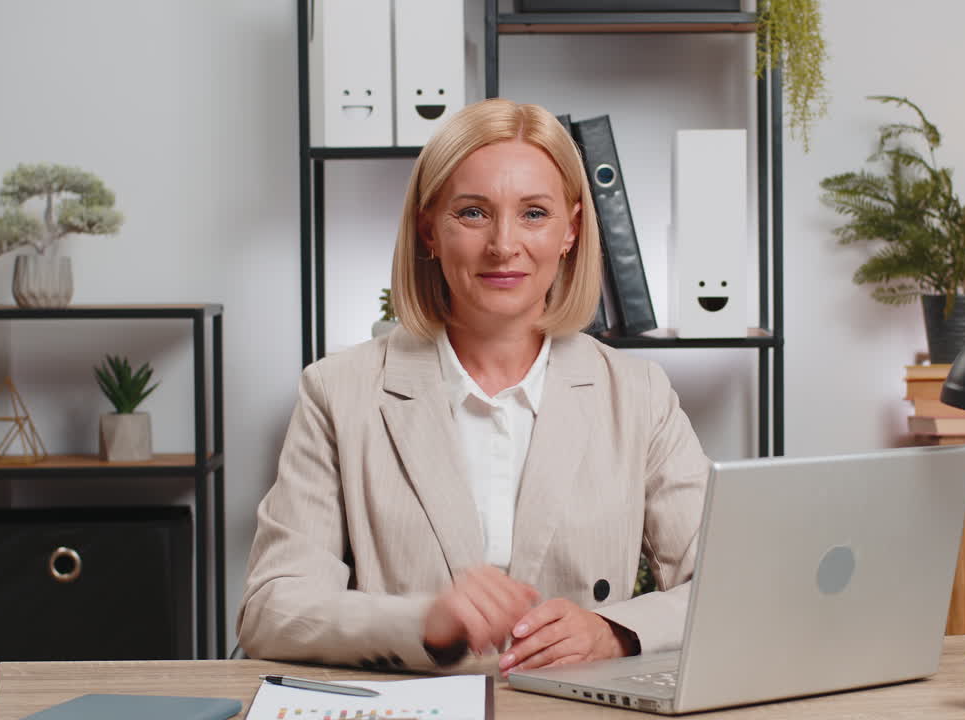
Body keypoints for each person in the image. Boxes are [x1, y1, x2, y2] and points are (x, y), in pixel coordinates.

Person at [237, 98, 710, 675]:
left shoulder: (638, 394)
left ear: (572, 231)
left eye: (535, 213)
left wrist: (614, 632)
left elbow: (727, 584)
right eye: (473, 213)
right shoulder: (339, 391)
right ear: (428, 229)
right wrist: (424, 623)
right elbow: (272, 610)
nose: (504, 245)